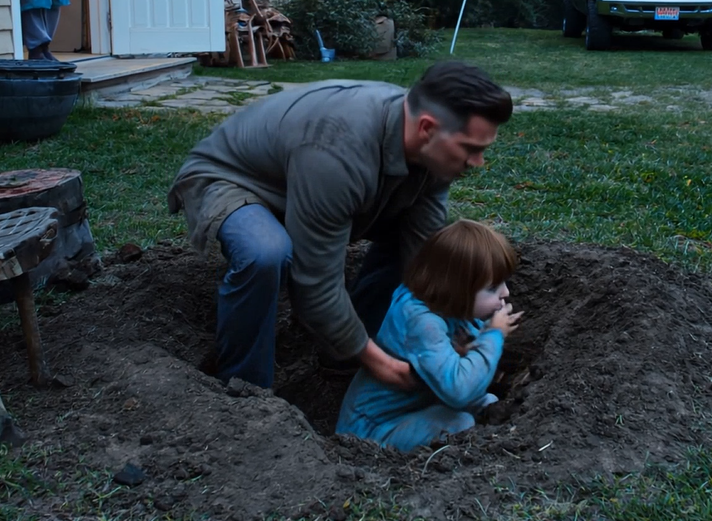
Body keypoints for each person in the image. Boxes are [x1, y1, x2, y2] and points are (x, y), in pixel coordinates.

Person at [168, 61, 513, 389]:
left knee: (412, 240)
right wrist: (379, 363)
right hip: (231, 179)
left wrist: (457, 335)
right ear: (426, 128)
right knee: (266, 252)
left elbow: (425, 259)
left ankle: (344, 354)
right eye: (470, 148)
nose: (478, 162)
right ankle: (244, 389)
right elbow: (314, 282)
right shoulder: (336, 151)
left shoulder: (432, 151)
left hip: (307, 185)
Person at [335, 219, 522, 452]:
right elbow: (458, 391)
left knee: (489, 404)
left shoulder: (449, 305)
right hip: (370, 433)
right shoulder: (422, 323)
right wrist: (492, 335)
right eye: (492, 287)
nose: (506, 292)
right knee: (460, 423)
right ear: (459, 289)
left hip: (416, 408)